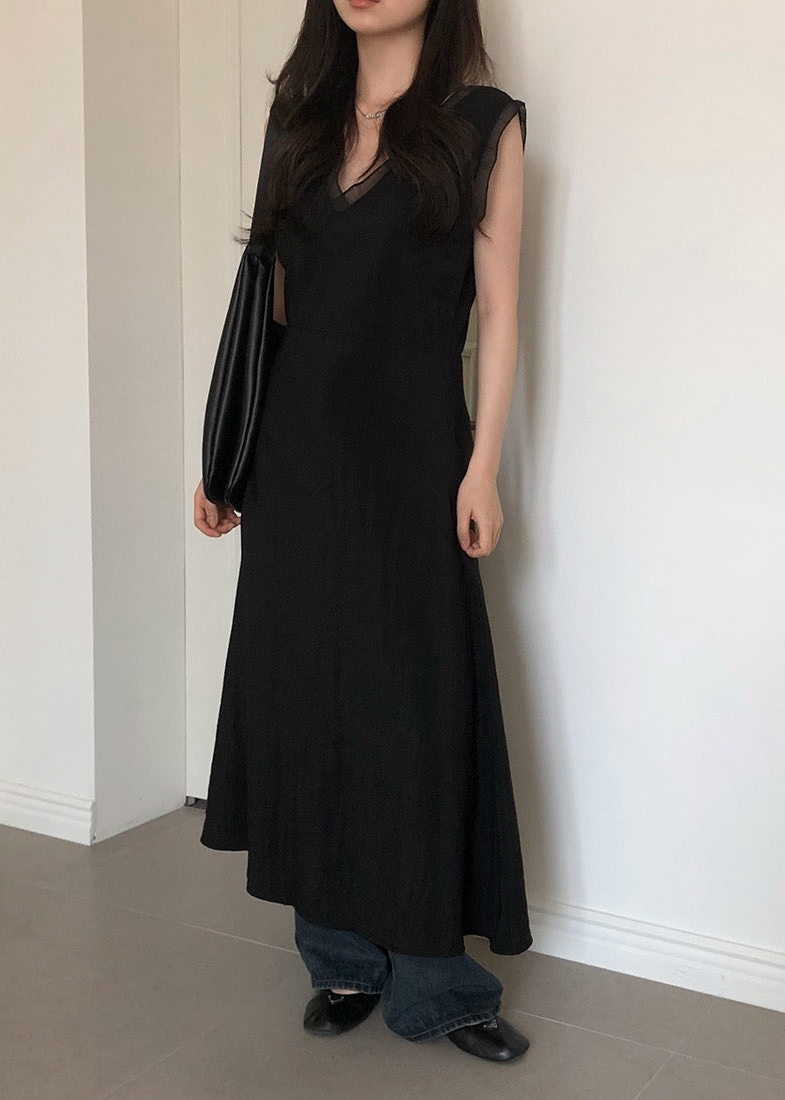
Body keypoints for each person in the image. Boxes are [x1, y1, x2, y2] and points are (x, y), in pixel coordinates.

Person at [192, 0, 533, 1063]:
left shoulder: (482, 123)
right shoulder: (297, 116)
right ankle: (337, 954)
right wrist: (227, 456)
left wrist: (481, 466)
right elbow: (268, 303)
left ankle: (434, 975)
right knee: (305, 692)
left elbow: (499, 311)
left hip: (414, 453)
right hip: (295, 458)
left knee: (412, 704)